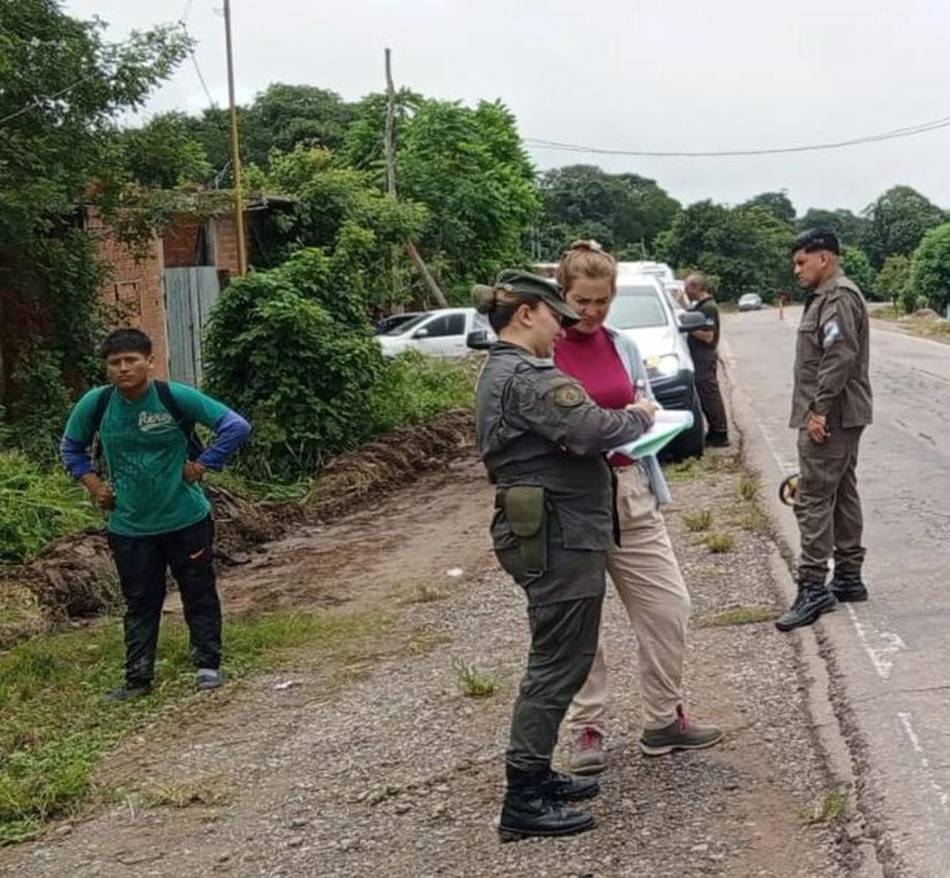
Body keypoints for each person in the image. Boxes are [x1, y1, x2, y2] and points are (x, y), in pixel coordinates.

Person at [473, 269, 656, 840]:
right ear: (527, 313)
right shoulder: (527, 376)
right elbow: (589, 429)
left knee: (563, 657)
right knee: (557, 663)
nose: (562, 331)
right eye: (557, 316)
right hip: (558, 534)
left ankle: (536, 776)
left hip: (555, 529)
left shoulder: (507, 370)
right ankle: (523, 798)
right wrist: (641, 417)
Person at [553, 241, 722, 775]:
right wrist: (623, 417)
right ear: (562, 295)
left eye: (602, 300)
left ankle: (663, 716)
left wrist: (642, 416)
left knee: (669, 606)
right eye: (581, 300)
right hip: (570, 500)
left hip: (630, 488)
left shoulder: (622, 344)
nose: (592, 311)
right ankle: (587, 727)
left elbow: (645, 402)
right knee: (580, 620)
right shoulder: (544, 352)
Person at [60, 328, 251, 700]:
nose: (123, 369)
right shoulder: (96, 404)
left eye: (131, 360)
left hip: (186, 518)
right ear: (107, 369)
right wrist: (95, 486)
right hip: (129, 524)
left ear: (150, 362)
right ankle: (138, 679)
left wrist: (204, 464)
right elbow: (71, 447)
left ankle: (207, 666)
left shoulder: (172, 396)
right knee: (140, 600)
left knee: (198, 591)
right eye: (115, 363)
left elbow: (235, 426)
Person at [775, 229, 872, 632]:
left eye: (802, 262)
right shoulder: (830, 296)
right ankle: (848, 576)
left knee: (813, 497)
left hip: (830, 416)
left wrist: (818, 410)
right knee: (841, 492)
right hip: (841, 414)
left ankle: (813, 586)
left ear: (824, 259)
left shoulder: (836, 297)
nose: (796, 270)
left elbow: (838, 356)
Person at [684, 273, 730, 447]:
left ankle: (720, 432)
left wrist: (688, 329)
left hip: (704, 356)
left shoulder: (708, 307)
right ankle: (714, 430)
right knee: (705, 394)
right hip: (699, 356)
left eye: (687, 288)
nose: (686, 292)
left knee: (709, 394)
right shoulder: (701, 306)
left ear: (696, 287)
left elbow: (708, 336)